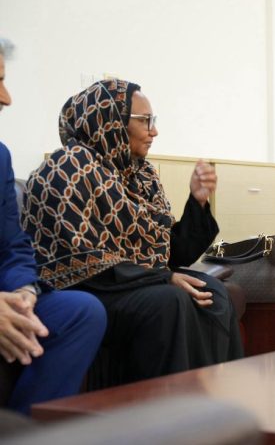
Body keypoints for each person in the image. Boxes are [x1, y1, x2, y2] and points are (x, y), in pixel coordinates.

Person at [21, 78, 243, 389]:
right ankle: (165, 408)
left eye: (154, 120)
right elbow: (79, 260)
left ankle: (219, 397)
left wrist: (198, 201)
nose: (154, 131)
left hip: (130, 281)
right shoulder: (68, 167)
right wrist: (161, 278)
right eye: (144, 120)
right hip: (87, 287)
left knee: (214, 292)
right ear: (109, 121)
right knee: (169, 300)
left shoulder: (140, 175)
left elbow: (172, 253)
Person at [0, 38, 106, 414]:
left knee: (82, 311)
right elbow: (83, 251)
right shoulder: (66, 169)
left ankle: (26, 430)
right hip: (98, 274)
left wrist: (23, 291)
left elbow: (13, 245)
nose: (7, 98)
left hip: (10, 294)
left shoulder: (0, 156)